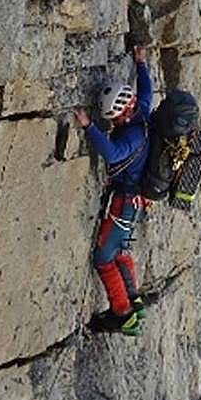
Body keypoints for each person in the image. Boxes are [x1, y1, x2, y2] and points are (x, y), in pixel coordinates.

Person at [73, 45, 152, 336]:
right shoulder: (141, 112)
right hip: (134, 202)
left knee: (103, 258)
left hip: (123, 203)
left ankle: (123, 313)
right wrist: (140, 64)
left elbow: (114, 153)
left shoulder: (131, 135)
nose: (114, 123)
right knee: (119, 249)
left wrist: (89, 127)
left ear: (124, 112)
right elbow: (147, 91)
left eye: (115, 119)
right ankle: (134, 300)